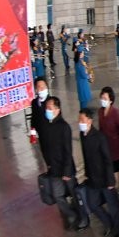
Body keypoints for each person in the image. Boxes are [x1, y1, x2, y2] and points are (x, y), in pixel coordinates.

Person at [77, 108, 119, 237]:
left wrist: (110, 181)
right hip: (92, 179)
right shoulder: (82, 135)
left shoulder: (99, 137)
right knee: (92, 204)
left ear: (90, 121)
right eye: (79, 120)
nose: (80, 122)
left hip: (104, 178)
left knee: (113, 206)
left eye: (82, 120)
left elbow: (107, 160)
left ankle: (118, 230)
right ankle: (109, 224)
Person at [39, 97, 82, 229]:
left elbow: (68, 151)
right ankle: (71, 215)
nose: (48, 110)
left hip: (65, 169)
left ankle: (82, 217)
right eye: (47, 108)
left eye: (50, 108)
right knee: (58, 196)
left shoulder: (64, 127)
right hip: (54, 169)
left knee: (75, 195)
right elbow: (44, 147)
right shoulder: (46, 125)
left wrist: (67, 171)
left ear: (58, 109)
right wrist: (48, 163)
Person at [97, 88, 119, 171]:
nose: (103, 100)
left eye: (105, 99)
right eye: (102, 98)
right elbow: (101, 128)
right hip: (106, 144)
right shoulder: (100, 111)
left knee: (116, 168)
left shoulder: (115, 112)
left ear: (111, 100)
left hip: (116, 145)